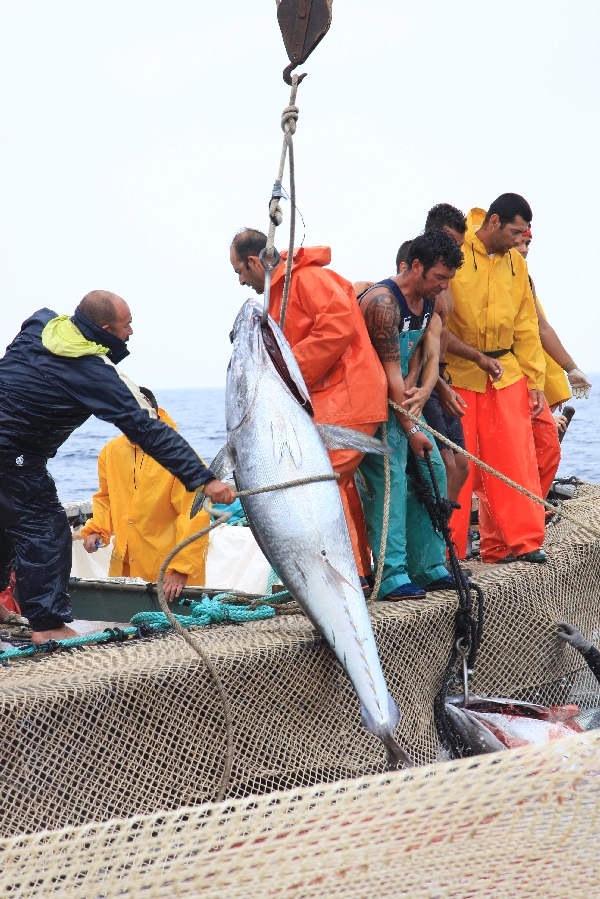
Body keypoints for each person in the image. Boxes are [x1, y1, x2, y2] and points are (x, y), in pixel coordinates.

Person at [0, 292, 235, 644]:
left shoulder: (41, 323)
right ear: (106, 330)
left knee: (7, 524)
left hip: (11, 452)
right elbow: (148, 428)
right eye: (127, 325)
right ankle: (47, 626)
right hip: (14, 453)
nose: (132, 331)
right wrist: (204, 479)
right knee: (45, 530)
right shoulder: (94, 372)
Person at [229, 229, 388, 590]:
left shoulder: (307, 278)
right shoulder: (280, 291)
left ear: (255, 262)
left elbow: (338, 327)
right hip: (333, 400)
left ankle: (343, 576)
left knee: (317, 481)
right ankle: (356, 574)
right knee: (329, 483)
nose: (240, 281)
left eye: (239, 271)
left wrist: (283, 375)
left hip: (348, 399)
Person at [446, 193, 557, 564]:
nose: (518, 240)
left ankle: (514, 543)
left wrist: (536, 382)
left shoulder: (518, 266)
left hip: (506, 373)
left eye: (522, 233)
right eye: (514, 231)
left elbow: (527, 326)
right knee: (461, 463)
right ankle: (451, 551)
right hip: (460, 372)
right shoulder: (457, 251)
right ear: (493, 222)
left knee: (514, 461)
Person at [358, 230, 464, 599]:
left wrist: (417, 393)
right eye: (439, 278)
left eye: (448, 279)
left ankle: (427, 565)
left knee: (433, 467)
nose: (443, 286)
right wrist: (411, 426)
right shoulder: (383, 302)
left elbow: (415, 356)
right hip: (371, 404)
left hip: (400, 400)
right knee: (391, 482)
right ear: (416, 266)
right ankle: (390, 575)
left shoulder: (428, 301)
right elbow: (387, 376)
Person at [81, 388, 212, 602]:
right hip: (123, 573)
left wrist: (181, 568)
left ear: (154, 413)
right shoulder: (110, 453)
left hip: (170, 577)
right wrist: (98, 529)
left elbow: (195, 513)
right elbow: (105, 498)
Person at [514, 228, 592, 420]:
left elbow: (542, 328)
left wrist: (571, 368)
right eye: (517, 243)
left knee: (548, 444)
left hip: (531, 384)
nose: (523, 250)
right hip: (506, 379)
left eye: (527, 244)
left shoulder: (525, 280)